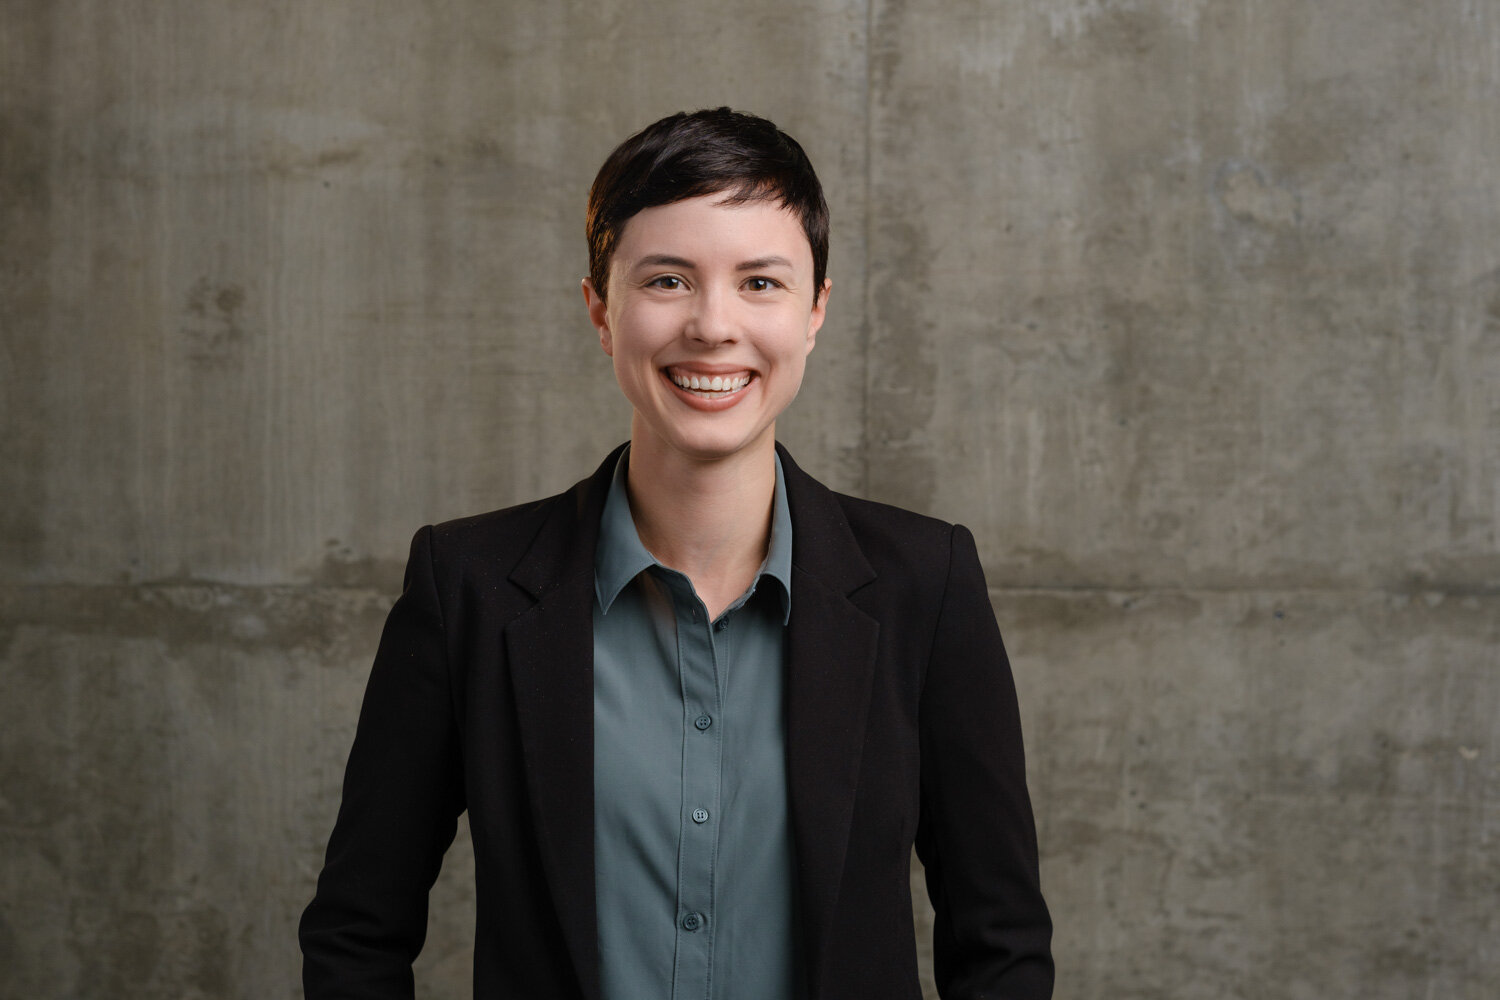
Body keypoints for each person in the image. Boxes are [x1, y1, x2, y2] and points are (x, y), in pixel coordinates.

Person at [300, 107, 1053, 1000]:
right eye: (667, 280)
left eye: (761, 283)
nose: (712, 325)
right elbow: (358, 932)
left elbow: (1000, 942)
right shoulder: (467, 587)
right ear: (599, 309)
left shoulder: (924, 586)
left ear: (816, 311)